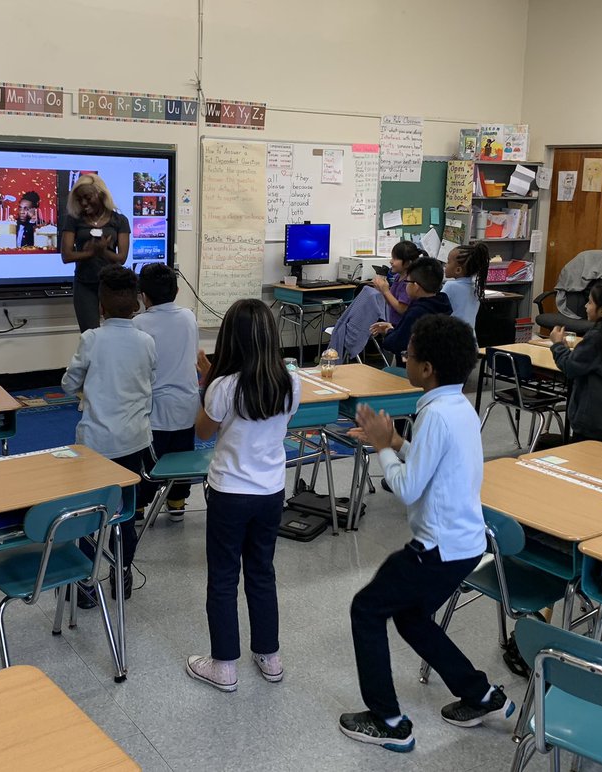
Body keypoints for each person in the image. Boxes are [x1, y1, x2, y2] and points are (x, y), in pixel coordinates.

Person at [340, 314, 513, 752]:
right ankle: (481, 695)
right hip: (465, 544)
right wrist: (396, 444)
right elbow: (431, 465)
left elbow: (407, 487)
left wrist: (382, 448)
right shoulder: (457, 407)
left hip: (436, 547)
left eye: (410, 354)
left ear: (427, 368)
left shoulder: (435, 415)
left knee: (366, 609)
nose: (405, 357)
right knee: (412, 617)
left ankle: (388, 721)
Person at [186, 299, 300, 692]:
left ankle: (224, 666)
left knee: (222, 578)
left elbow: (203, 432)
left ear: (229, 338)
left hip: (230, 493)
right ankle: (270, 657)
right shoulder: (290, 381)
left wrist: (206, 380)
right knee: (261, 572)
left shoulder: (222, 385)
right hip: (271, 491)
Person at [62, 265, 155, 601]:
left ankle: (86, 583)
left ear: (99, 307)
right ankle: (123, 572)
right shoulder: (146, 341)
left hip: (96, 444)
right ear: (136, 305)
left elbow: (69, 382)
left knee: (91, 513)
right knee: (125, 513)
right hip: (134, 440)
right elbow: (149, 382)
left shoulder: (91, 339)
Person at [132, 263, 200, 521]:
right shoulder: (188, 317)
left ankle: (138, 507)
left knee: (148, 459)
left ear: (143, 296)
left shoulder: (138, 323)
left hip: (153, 409)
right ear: (178, 289)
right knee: (182, 454)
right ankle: (177, 502)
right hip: (187, 406)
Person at [548, 281, 602, 443]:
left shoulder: (597, 337)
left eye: (589, 302)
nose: (585, 306)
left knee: (585, 459)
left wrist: (557, 345)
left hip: (592, 418)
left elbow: (570, 367)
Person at [326, 242, 423, 362]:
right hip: (393, 326)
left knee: (402, 363)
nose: (391, 261)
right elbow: (390, 301)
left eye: (395, 258)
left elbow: (402, 309)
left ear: (407, 262)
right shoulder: (398, 278)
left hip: (401, 329)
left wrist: (385, 291)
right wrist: (382, 291)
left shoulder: (408, 283)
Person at [61, 174, 130, 332]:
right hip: (85, 284)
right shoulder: (74, 220)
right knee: (90, 335)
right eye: (79, 199)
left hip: (113, 284)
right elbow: (66, 256)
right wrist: (92, 252)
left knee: (117, 334)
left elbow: (122, 258)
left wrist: (103, 251)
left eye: (87, 197)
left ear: (101, 194)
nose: (84, 203)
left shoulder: (119, 220)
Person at [370, 257, 451, 358]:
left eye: (407, 282)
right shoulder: (442, 303)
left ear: (415, 286)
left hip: (412, 366)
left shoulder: (416, 312)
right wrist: (393, 329)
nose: (406, 286)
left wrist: (388, 331)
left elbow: (396, 344)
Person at [441, 243, 490, 328]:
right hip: (470, 337)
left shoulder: (450, 286)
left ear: (458, 270)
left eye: (448, 262)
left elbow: (436, 308)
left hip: (453, 336)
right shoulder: (476, 288)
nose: (445, 265)